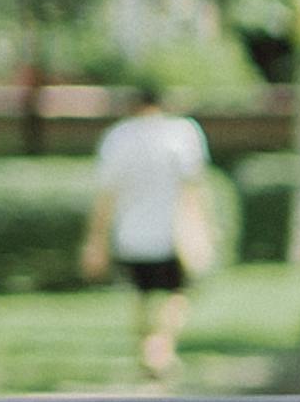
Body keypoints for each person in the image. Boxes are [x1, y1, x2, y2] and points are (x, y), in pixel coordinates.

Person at [79, 79, 216, 382]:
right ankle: (160, 346)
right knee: (177, 293)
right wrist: (203, 229)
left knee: (141, 297)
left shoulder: (117, 138)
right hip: (171, 234)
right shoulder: (181, 134)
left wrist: (95, 241)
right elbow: (192, 187)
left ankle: (149, 348)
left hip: (130, 235)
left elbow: (106, 197)